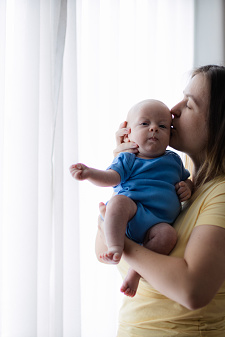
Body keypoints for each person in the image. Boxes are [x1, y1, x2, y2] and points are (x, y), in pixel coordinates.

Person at [95, 65, 225, 337]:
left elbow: (191, 290)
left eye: (190, 104)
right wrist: (125, 174)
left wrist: (120, 244)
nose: (173, 109)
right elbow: (102, 253)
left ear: (223, 125)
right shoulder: (176, 186)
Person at [70, 99, 193, 297]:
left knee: (168, 235)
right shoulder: (128, 158)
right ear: (128, 133)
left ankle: (134, 273)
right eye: (145, 124)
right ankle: (115, 247)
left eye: (162, 126)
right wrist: (89, 174)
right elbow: (110, 178)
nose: (154, 129)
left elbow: (186, 180)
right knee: (119, 202)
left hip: (157, 224)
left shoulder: (174, 160)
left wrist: (187, 187)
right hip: (132, 213)